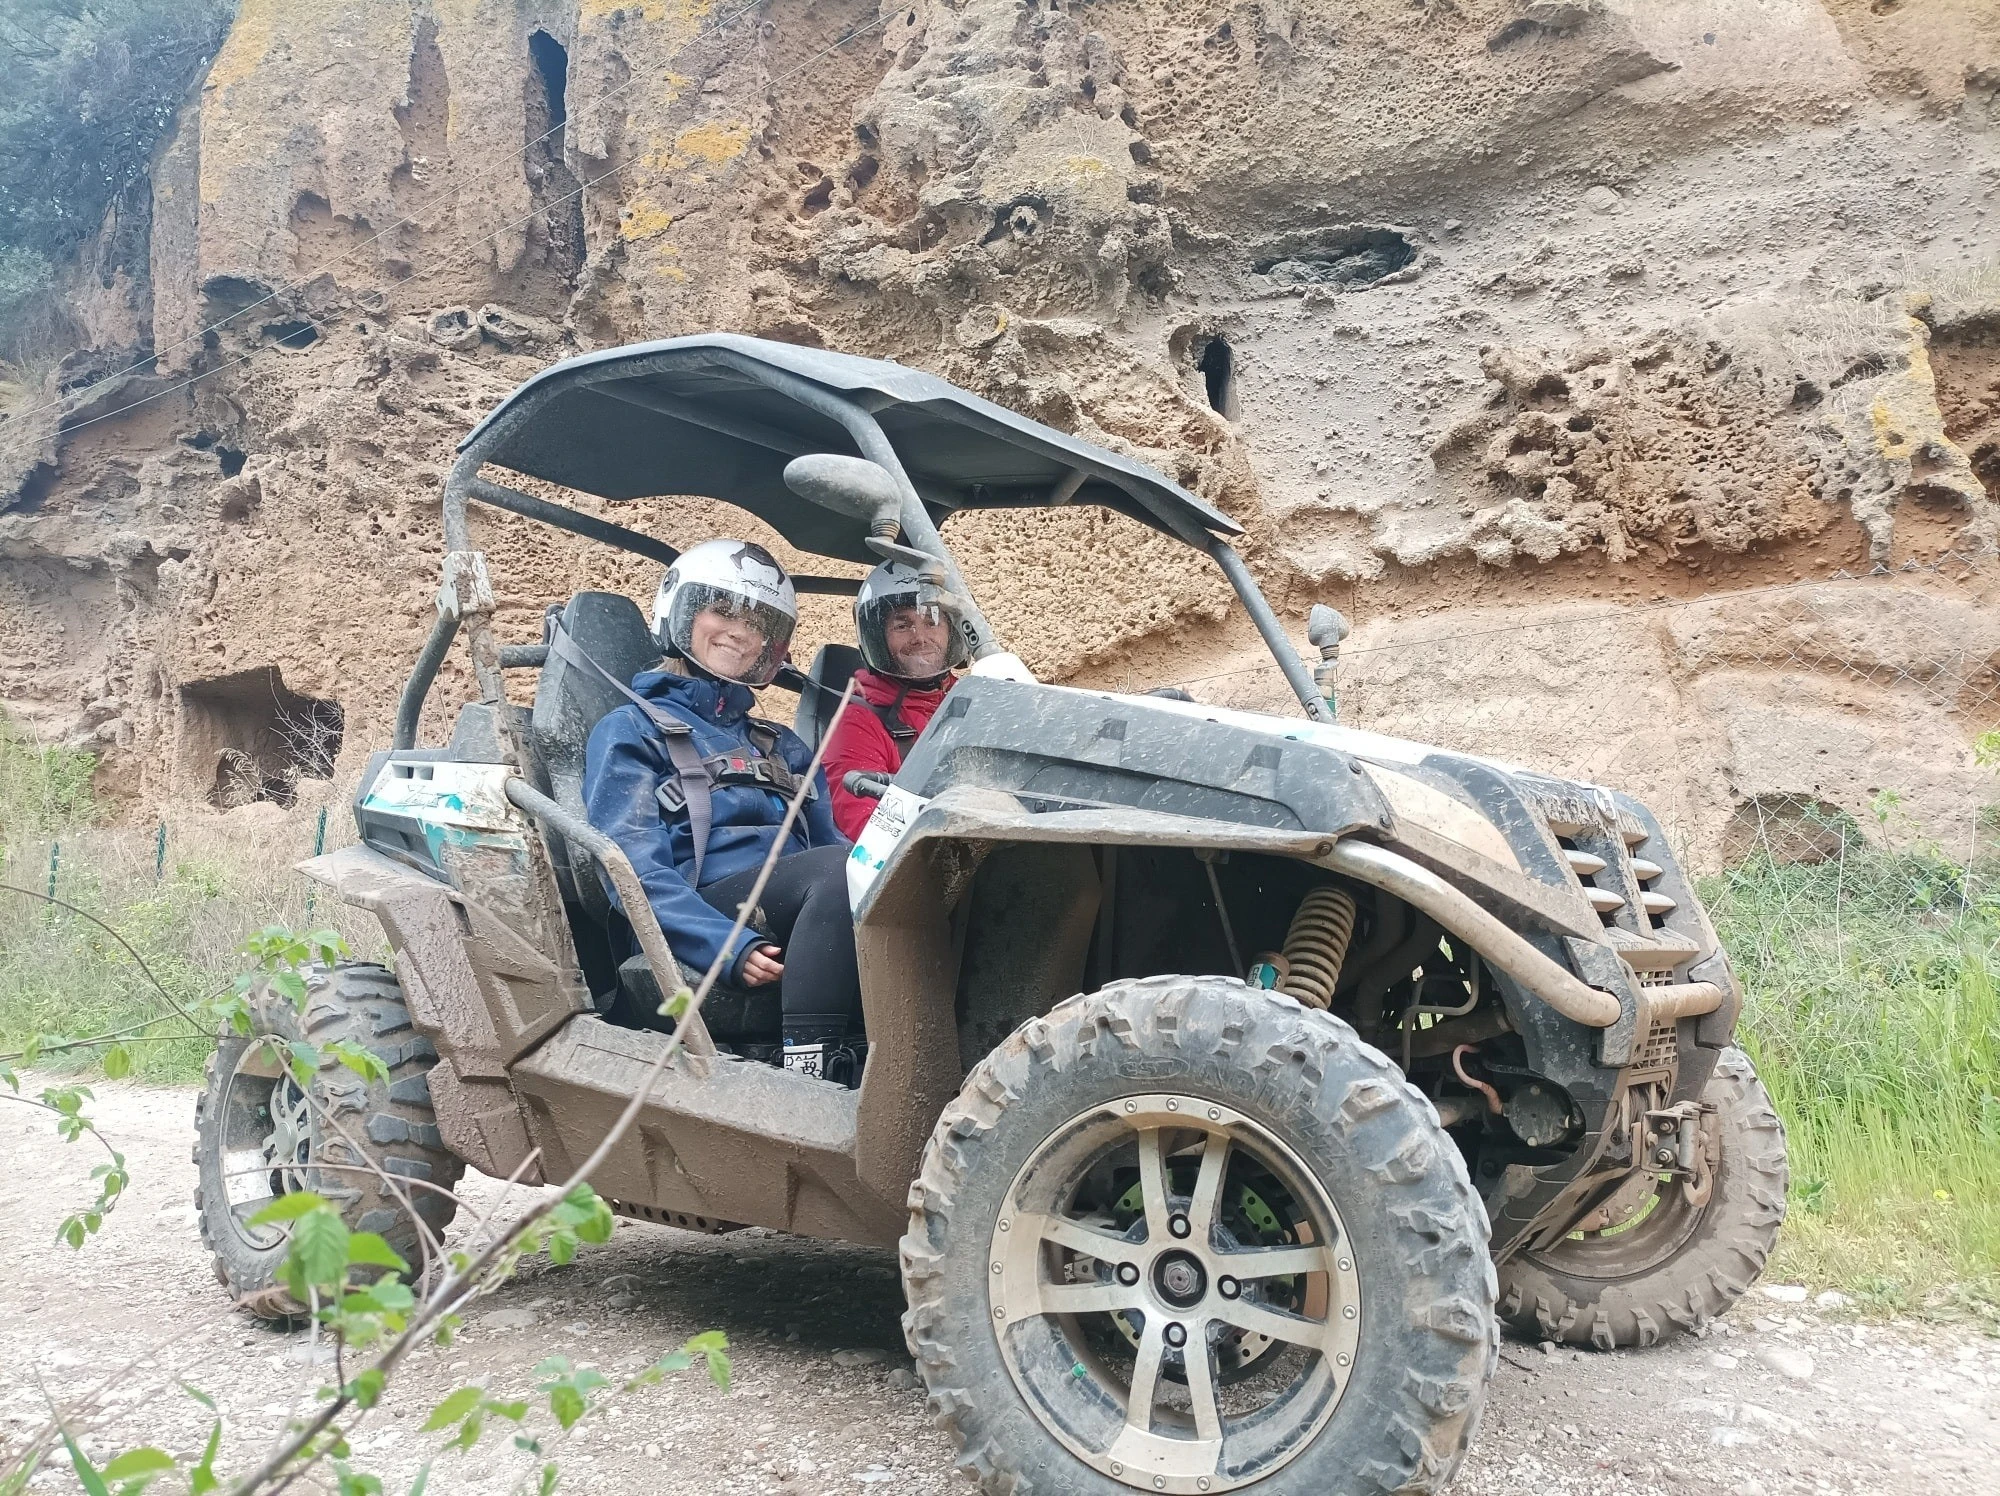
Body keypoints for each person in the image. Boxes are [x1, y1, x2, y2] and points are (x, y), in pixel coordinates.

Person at [582, 539, 860, 1075]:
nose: (740, 630)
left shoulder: (781, 744)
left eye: (757, 623)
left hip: (798, 898)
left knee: (876, 873)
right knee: (841, 872)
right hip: (709, 908)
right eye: (722, 610)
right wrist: (725, 944)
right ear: (680, 613)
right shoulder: (631, 730)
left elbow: (833, 845)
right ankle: (813, 1067)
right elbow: (630, 871)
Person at [824, 559, 969, 839]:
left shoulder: (969, 701)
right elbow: (867, 831)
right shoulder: (859, 721)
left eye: (932, 621)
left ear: (951, 631)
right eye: (903, 626)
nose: (921, 637)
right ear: (879, 637)